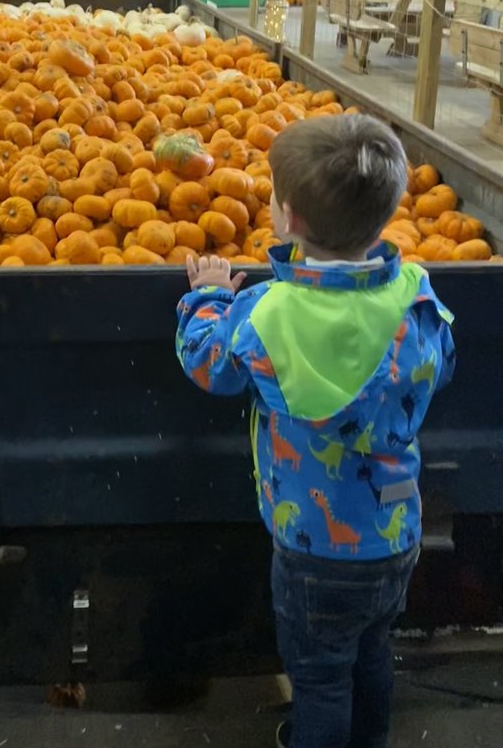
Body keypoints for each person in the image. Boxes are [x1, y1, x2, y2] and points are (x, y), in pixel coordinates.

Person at [175, 114, 455, 748]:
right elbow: (444, 363)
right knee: (373, 656)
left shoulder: (270, 313)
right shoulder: (416, 297)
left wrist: (207, 299)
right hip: (396, 532)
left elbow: (208, 364)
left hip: (313, 547)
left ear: (288, 220)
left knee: (320, 676)